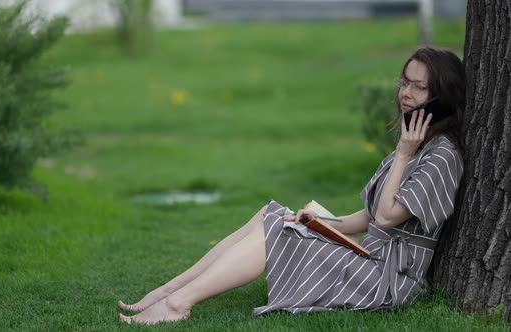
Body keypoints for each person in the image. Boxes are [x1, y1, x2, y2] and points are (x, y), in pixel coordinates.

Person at [117, 46, 466, 325]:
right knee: (274, 214)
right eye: (405, 82)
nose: (407, 93)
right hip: (370, 258)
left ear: (441, 97)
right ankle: (170, 289)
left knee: (277, 231)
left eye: (420, 88)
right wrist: (325, 224)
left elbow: (388, 218)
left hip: (386, 279)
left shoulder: (440, 156)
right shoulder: (415, 144)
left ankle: (178, 305)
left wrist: (403, 153)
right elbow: (370, 216)